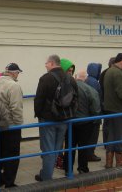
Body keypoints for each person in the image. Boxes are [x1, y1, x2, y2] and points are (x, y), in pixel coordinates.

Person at [34, 54, 77, 182]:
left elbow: (39, 100)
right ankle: (47, 172)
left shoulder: (45, 78)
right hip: (64, 119)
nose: (45, 65)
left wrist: (39, 115)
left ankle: (46, 178)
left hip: (48, 120)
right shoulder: (71, 79)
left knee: (48, 149)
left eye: (46, 63)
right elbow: (76, 99)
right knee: (57, 149)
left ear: (52, 63)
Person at [63, 69, 101, 174]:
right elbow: (95, 109)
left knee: (69, 147)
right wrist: (94, 120)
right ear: (86, 78)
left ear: (76, 77)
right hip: (85, 123)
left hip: (70, 123)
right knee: (83, 147)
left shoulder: (69, 89)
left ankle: (68, 169)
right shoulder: (90, 90)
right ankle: (83, 168)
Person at [0, 63, 24, 187]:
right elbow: (16, 108)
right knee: (12, 155)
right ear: (13, 72)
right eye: (17, 73)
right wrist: (18, 125)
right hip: (11, 126)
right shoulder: (14, 86)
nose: (18, 75)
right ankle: (9, 182)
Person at [103, 53, 122, 168]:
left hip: (110, 109)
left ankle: (109, 162)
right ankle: (120, 162)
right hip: (118, 110)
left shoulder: (109, 71)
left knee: (111, 135)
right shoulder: (117, 73)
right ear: (119, 61)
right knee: (120, 135)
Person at [85, 62, 103, 162]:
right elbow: (96, 99)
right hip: (94, 114)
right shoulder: (94, 82)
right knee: (93, 136)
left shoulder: (87, 80)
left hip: (87, 114)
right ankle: (90, 154)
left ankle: (87, 153)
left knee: (88, 136)